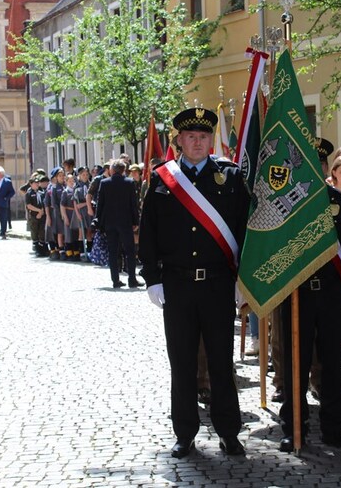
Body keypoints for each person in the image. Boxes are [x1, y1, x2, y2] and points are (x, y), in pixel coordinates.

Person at [139, 107, 249, 458]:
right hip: (178, 286)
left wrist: (242, 278)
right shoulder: (161, 180)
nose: (198, 142)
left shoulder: (230, 179)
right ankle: (184, 432)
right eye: (191, 137)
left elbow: (247, 230)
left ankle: (229, 431)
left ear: (210, 140)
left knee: (221, 360)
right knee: (182, 363)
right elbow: (149, 235)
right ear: (180, 141)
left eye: (204, 137)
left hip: (218, 284)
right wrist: (152, 279)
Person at [278, 172, 341, 453]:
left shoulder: (338, 202)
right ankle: (294, 428)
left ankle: (335, 428)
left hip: (331, 293)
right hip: (295, 294)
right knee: (295, 363)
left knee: (333, 363)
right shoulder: (284, 204)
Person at [94, 159, 142, 288]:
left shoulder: (104, 183)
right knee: (130, 251)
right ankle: (132, 279)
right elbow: (134, 204)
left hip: (110, 222)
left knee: (113, 252)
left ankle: (115, 280)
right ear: (123, 170)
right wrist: (135, 221)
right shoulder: (129, 182)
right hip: (125, 222)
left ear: (112, 170)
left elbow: (100, 205)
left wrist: (98, 220)